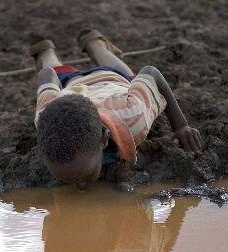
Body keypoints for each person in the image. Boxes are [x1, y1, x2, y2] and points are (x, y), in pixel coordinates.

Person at [31, 29, 201, 189]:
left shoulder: (133, 117)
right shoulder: (45, 119)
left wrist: (180, 126)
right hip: (73, 86)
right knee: (53, 68)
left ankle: (94, 44)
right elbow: (46, 74)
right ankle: (46, 51)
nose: (79, 186)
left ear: (104, 139)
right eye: (66, 179)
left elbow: (152, 73)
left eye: (85, 176)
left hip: (112, 80)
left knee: (126, 76)